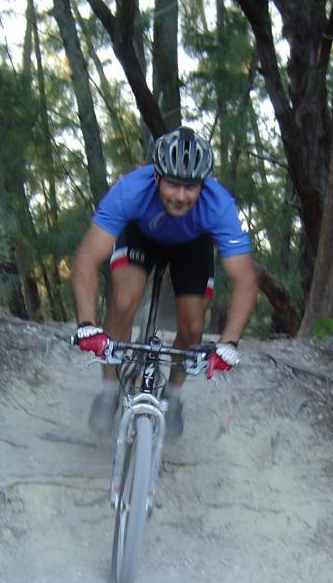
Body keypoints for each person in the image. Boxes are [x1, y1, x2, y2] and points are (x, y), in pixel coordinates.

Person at [71, 126, 258, 437]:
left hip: (192, 245)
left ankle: (173, 395)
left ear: (204, 184)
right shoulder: (131, 190)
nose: (181, 196)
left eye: (190, 187)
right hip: (140, 236)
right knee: (123, 301)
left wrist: (228, 344)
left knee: (193, 327)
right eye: (173, 184)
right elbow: (87, 257)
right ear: (156, 177)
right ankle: (108, 390)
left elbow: (245, 278)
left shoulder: (218, 205)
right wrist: (87, 324)